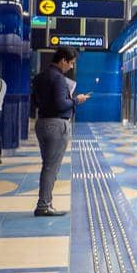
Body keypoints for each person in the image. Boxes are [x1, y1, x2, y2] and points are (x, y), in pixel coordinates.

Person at [31, 47, 88, 217]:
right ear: (63, 60)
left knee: (47, 165)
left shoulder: (40, 77)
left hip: (41, 123)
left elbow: (34, 102)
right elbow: (61, 105)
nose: (71, 67)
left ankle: (44, 202)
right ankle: (43, 205)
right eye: (70, 63)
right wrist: (76, 100)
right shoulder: (58, 79)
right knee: (51, 167)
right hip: (57, 125)